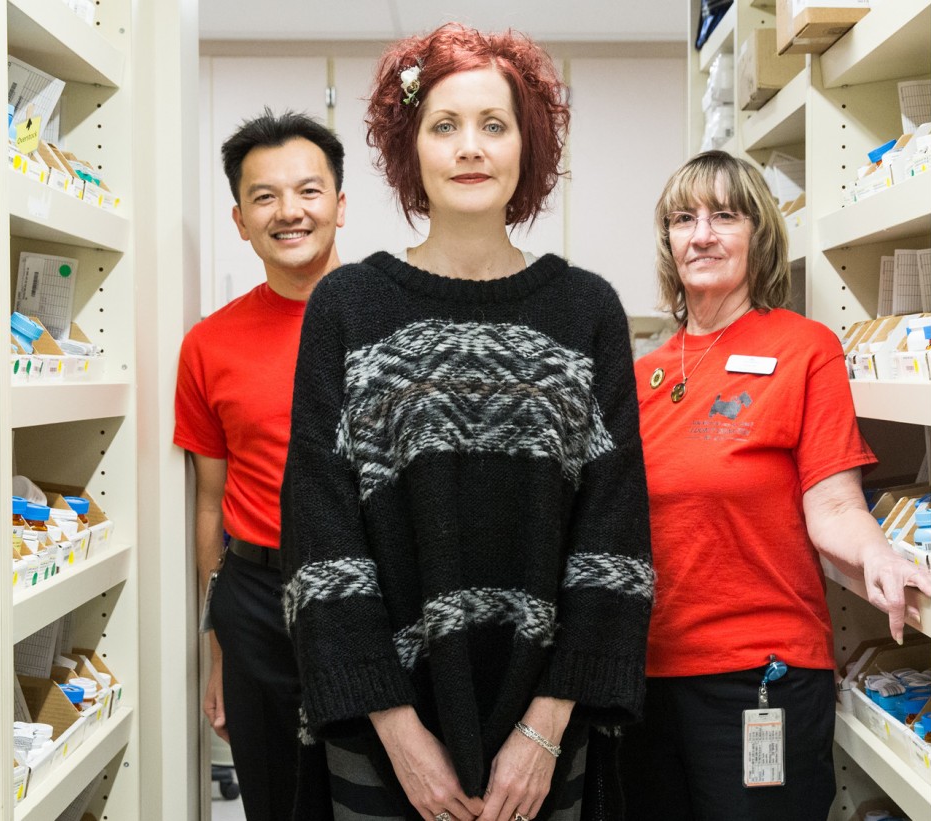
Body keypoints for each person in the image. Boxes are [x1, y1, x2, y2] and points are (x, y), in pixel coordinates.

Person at [278, 24, 652, 821]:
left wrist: (546, 728)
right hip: (385, 732)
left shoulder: (586, 310)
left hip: (546, 734)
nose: (470, 147)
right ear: (409, 147)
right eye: (444, 125)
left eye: (494, 124)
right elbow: (320, 529)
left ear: (529, 145)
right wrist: (397, 728)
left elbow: (613, 536)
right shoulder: (346, 308)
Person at [622, 150, 931, 819]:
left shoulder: (804, 350)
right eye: (684, 218)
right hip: (646, 678)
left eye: (723, 216)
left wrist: (878, 553)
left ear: (758, 235)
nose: (701, 233)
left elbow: (835, 503)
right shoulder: (642, 376)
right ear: (668, 241)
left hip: (760, 676)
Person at [175, 108, 346, 821]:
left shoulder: (389, 322)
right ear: (241, 220)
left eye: (308, 190)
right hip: (256, 595)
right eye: (264, 196)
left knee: (383, 790)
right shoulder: (209, 345)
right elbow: (210, 504)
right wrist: (218, 645)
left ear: (339, 204)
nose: (289, 212)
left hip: (369, 586)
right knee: (276, 797)